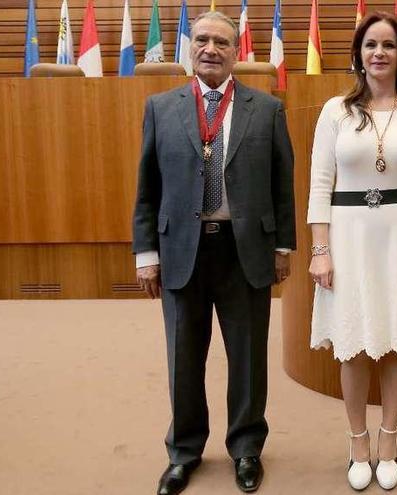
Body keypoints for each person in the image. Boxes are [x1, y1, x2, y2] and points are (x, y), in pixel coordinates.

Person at [132, 11, 295, 495]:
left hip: (244, 250)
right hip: (181, 251)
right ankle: (184, 451)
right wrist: (146, 252)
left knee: (248, 358)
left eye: (221, 42)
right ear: (190, 48)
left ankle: (246, 449)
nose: (210, 48)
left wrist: (283, 245)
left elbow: (282, 186)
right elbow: (147, 188)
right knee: (184, 357)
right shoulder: (161, 107)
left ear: (235, 52)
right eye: (201, 39)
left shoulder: (266, 109)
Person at [306, 11, 397, 491]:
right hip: (347, 236)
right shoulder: (335, 111)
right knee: (352, 345)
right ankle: (357, 441)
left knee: (394, 340)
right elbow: (319, 186)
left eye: (389, 44)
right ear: (358, 52)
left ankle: (389, 439)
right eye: (371, 44)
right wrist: (319, 249)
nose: (379, 53)